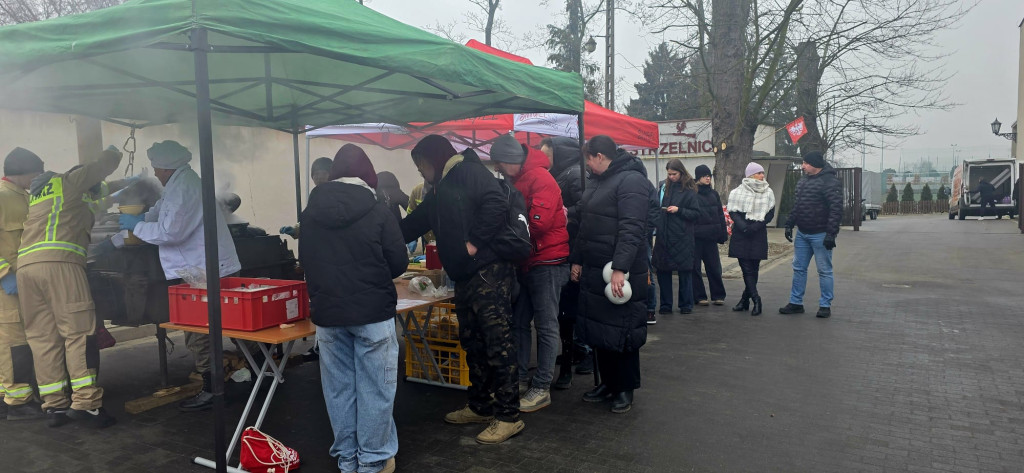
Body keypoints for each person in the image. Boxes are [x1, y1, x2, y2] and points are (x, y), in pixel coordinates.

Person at [399, 135, 523, 444]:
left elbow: (496, 203)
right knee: (473, 343)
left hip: (488, 274)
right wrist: (380, 227)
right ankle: (480, 405)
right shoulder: (442, 188)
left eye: (421, 165)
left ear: (434, 159)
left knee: (498, 344)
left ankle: (508, 416)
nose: (421, 172)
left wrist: (473, 243)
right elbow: (415, 222)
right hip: (466, 278)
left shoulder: (468, 171)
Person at [300, 144, 406, 473]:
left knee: (339, 391)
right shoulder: (378, 210)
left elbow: (306, 261)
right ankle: (373, 462)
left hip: (329, 316)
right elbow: (399, 261)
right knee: (375, 390)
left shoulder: (310, 212)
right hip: (372, 313)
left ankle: (348, 460)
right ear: (367, 175)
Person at [119, 141, 243, 412]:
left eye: (156, 168)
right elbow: (159, 213)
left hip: (200, 270)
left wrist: (136, 226)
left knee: (198, 330)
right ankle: (244, 375)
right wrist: (128, 230)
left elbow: (170, 232)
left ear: (166, 167)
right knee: (218, 326)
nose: (155, 173)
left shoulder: (183, 187)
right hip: (201, 266)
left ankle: (214, 389)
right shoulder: (181, 183)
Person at [19, 145, 122, 428]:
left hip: (27, 270)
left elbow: (100, 193)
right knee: (77, 332)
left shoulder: (42, 195)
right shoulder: (66, 182)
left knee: (43, 338)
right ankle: (87, 404)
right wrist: (116, 151)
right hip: (60, 265)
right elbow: (99, 169)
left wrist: (123, 186)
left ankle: (54, 405)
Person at [570, 135, 652, 414]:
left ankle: (625, 388)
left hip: (618, 271)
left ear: (601, 157)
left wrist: (620, 268)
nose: (588, 165)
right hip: (594, 268)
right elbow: (584, 223)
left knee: (623, 330)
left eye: (589, 159)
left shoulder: (631, 181)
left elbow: (632, 228)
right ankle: (607, 383)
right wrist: (577, 260)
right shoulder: (598, 181)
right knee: (600, 330)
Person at [491, 135, 570, 413]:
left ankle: (541, 386)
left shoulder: (541, 178)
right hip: (527, 260)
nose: (499, 171)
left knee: (546, 324)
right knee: (520, 322)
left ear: (512, 161)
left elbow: (537, 223)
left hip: (546, 261)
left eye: (501, 166)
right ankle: (522, 378)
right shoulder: (517, 180)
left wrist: (504, 235)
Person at [540, 137, 590, 388]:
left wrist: (566, 211)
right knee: (565, 313)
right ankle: (572, 356)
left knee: (568, 313)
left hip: (572, 253)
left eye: (546, 154)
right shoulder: (565, 173)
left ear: (558, 154)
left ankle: (573, 362)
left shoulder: (574, 174)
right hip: (566, 252)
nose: (543, 159)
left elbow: (586, 209)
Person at [0, 148, 45, 422]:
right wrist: (5, 273)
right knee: (14, 344)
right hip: (7, 288)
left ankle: (7, 396)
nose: (37, 179)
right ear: (25, 172)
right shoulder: (3, 197)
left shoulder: (22, 197)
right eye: (37, 173)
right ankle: (18, 402)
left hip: (23, 283)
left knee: (11, 344)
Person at [780, 151, 842, 319]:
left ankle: (825, 305)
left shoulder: (830, 182)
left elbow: (836, 210)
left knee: (824, 271)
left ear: (815, 165)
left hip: (820, 234)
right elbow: (798, 205)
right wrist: (789, 224)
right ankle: (796, 303)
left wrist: (831, 234)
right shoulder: (803, 181)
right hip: (802, 233)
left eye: (805, 163)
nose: (803, 166)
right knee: (799, 269)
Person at [652, 159, 702, 315]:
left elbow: (696, 214)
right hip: (664, 236)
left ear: (681, 173)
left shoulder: (689, 191)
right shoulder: (664, 188)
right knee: (663, 271)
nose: (671, 176)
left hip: (682, 237)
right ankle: (666, 305)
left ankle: (686, 304)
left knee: (685, 272)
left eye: (674, 174)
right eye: (669, 174)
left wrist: (679, 210)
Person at [727, 163, 776, 316]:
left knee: (753, 269)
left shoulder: (768, 192)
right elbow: (733, 211)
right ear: (750, 175)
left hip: (758, 234)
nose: (762, 175)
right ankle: (756, 299)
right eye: (759, 173)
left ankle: (744, 300)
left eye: (762, 173)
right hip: (741, 235)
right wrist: (743, 226)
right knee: (746, 269)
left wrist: (754, 227)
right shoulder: (737, 192)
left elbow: (769, 214)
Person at [691, 164, 728, 306]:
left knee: (714, 267)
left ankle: (718, 295)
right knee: (695, 268)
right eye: (704, 175)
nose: (708, 178)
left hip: (711, 237)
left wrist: (722, 234)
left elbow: (720, 215)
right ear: (698, 177)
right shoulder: (692, 193)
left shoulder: (714, 194)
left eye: (709, 176)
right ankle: (700, 296)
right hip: (696, 237)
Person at [281, 157, 333, 239]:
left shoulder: (337, 195)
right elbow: (311, 219)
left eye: (324, 173)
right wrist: (296, 230)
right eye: (316, 174)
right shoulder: (316, 195)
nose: (319, 177)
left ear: (332, 175)